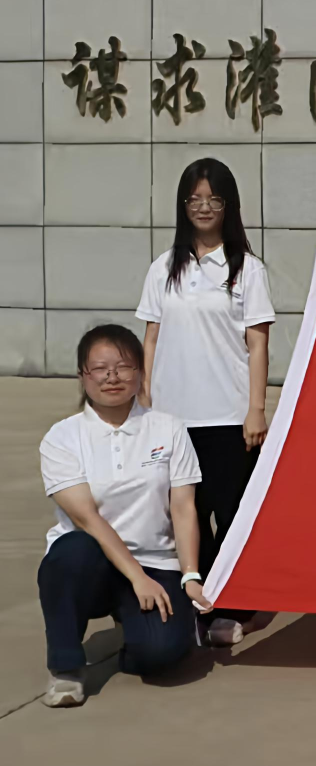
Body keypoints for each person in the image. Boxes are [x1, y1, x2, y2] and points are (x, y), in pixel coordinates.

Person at [135, 158, 274, 649]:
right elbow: (151, 338)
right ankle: (198, 599)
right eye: (194, 199)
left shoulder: (247, 269)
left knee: (231, 514)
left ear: (229, 206)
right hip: (173, 417)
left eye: (214, 199)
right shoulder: (164, 267)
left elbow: (258, 343)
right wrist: (145, 399)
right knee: (184, 513)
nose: (204, 207)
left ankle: (234, 605)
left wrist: (255, 408)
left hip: (228, 415)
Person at [38, 324, 211, 707]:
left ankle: (140, 636)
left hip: (155, 562)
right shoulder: (62, 437)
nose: (112, 377)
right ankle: (66, 669)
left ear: (141, 372)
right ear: (83, 375)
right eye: (100, 368)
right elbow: (87, 519)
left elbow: (183, 508)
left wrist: (189, 575)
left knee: (162, 656)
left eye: (123, 367)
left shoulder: (168, 429)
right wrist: (136, 577)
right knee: (70, 552)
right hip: (92, 564)